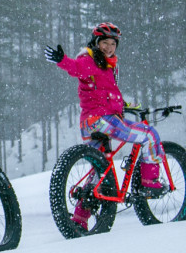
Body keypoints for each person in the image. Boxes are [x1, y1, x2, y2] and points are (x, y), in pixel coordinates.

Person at [45, 22, 166, 228]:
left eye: (113, 44)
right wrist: (62, 60)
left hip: (89, 123)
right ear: (96, 42)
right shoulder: (90, 59)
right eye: (105, 43)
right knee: (148, 135)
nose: (109, 47)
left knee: (99, 169)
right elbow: (76, 68)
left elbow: (104, 94)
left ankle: (80, 220)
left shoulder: (106, 66)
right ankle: (149, 183)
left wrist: (126, 106)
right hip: (103, 120)